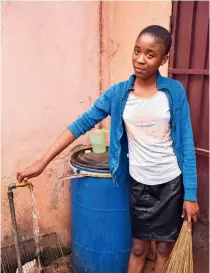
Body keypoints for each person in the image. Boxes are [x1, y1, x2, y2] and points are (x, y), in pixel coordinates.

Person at [17, 25, 199, 273]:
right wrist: (42, 162)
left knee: (164, 250)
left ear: (163, 59)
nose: (140, 59)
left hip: (170, 182)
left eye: (150, 54)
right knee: (138, 249)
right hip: (139, 184)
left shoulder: (174, 92)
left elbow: (186, 144)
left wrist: (190, 194)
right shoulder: (118, 94)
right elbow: (80, 124)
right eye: (137, 51)